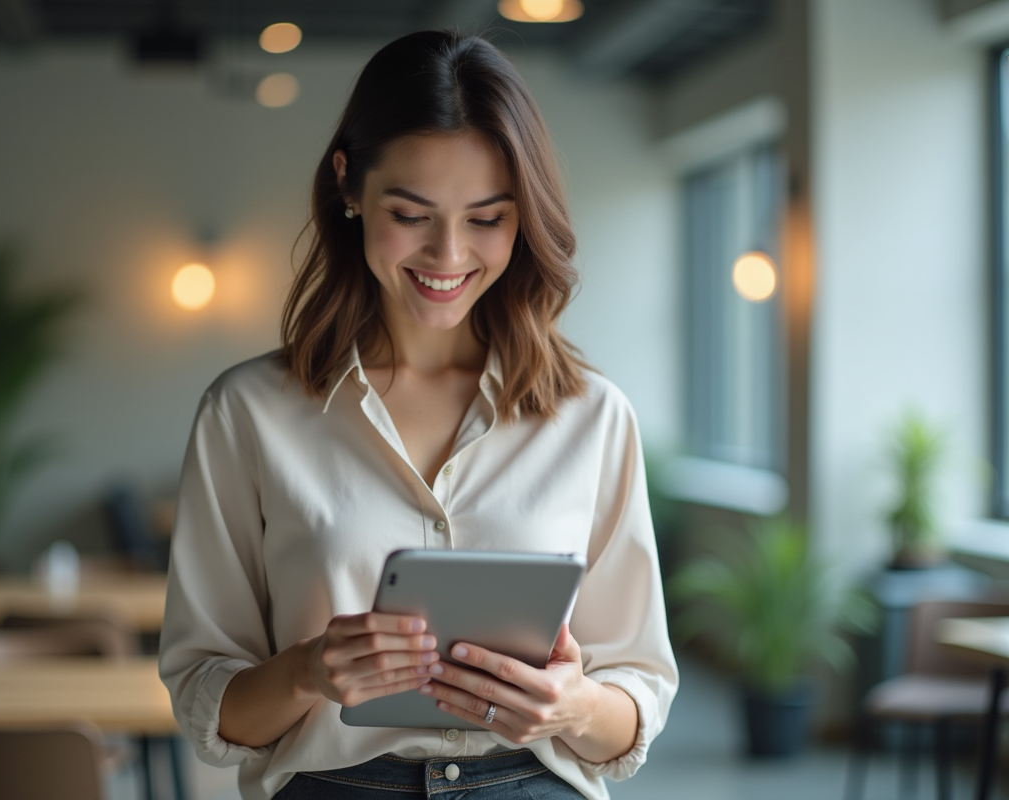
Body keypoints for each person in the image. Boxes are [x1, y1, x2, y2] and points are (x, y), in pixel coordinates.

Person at [159, 30, 677, 800]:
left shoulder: (593, 417)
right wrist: (307, 671)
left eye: (487, 218)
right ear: (349, 185)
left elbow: (636, 699)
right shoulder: (247, 414)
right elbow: (209, 703)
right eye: (411, 213)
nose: (448, 253)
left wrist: (572, 705)